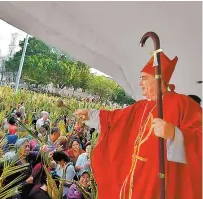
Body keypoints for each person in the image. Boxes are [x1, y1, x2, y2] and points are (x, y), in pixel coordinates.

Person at [74, 52, 202, 199]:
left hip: (163, 182)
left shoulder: (183, 104)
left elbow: (200, 136)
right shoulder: (141, 106)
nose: (140, 83)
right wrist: (91, 114)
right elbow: (115, 120)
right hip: (136, 177)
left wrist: (175, 133)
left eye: (144, 78)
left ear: (158, 79)